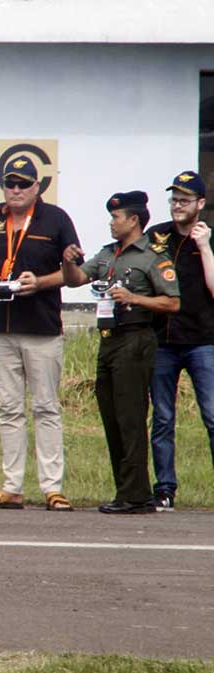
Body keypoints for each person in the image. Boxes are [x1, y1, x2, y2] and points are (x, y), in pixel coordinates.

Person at [0, 155, 80, 511]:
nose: (15, 190)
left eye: (23, 184)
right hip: (1, 324)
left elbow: (75, 274)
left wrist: (39, 282)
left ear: (37, 187)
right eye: (9, 184)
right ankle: (12, 486)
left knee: (45, 407)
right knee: (9, 408)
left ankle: (52, 488)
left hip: (41, 326)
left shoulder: (56, 219)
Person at [61, 191, 180, 514]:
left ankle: (137, 495)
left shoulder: (153, 256)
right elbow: (75, 280)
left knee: (130, 418)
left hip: (136, 338)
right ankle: (124, 491)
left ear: (134, 220)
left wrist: (135, 297)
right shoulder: (108, 254)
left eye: (116, 217)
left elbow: (172, 302)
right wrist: (67, 260)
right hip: (109, 339)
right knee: (111, 415)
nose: (111, 223)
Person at [145, 171, 213, 511]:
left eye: (185, 200)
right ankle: (165, 488)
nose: (177, 206)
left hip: (203, 338)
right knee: (162, 417)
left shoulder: (210, 237)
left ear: (200, 204)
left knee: (212, 415)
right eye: (174, 199)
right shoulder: (156, 235)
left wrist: (204, 246)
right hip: (163, 339)